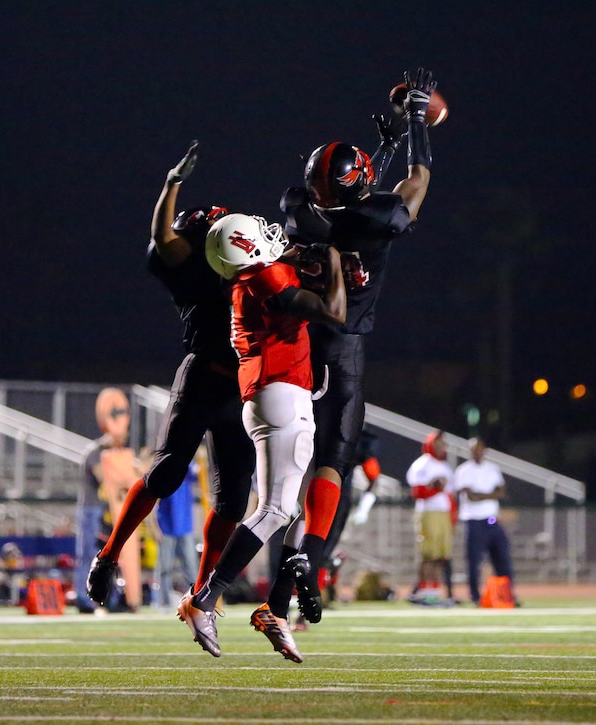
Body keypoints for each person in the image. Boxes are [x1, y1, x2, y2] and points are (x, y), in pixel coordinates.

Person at [269, 69, 437, 625]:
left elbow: (340, 206)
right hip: (343, 351)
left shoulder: (298, 207)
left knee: (285, 468)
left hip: (293, 347)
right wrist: (414, 122)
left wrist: (376, 157)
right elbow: (417, 180)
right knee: (333, 462)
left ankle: (275, 578)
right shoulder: (379, 217)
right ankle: (308, 561)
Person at [86, 142, 256, 612]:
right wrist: (171, 185)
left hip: (243, 389)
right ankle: (107, 557)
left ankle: (201, 594)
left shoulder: (252, 268)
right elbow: (164, 239)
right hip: (203, 376)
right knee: (165, 472)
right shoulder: (194, 269)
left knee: (232, 502)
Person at [178, 211, 346, 662]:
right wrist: (330, 261)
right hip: (280, 395)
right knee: (275, 510)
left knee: (295, 508)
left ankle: (275, 609)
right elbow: (334, 312)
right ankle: (204, 599)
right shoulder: (262, 275)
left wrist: (312, 259)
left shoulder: (245, 280)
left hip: (272, 395)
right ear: (247, 246)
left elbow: (290, 272)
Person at [81, 388, 145, 612]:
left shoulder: (117, 454)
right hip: (93, 509)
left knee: (111, 557)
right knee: (91, 554)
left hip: (109, 511)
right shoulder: (96, 452)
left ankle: (110, 599)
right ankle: (85, 598)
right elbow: (103, 479)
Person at [455, 437, 517, 606]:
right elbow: (471, 497)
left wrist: (481, 495)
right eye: (474, 449)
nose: (477, 452)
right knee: (474, 561)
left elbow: (501, 492)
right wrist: (489, 494)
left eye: (479, 448)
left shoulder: (492, 469)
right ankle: (476, 596)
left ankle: (507, 595)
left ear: (485, 450)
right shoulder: (463, 470)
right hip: (474, 520)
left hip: (491, 519)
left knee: (502, 558)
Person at [406, 430, 455, 604]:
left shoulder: (444, 466)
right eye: (439, 442)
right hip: (428, 513)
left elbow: (449, 495)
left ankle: (433, 592)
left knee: (440, 556)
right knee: (428, 555)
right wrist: (434, 487)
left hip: (443, 514)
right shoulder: (422, 464)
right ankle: (426, 593)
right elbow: (417, 491)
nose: (443, 446)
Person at [154, 458, 200, 608]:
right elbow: (154, 500)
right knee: (165, 567)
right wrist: (155, 528)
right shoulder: (164, 469)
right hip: (166, 526)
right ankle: (164, 601)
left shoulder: (187, 467)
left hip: (185, 525)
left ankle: (194, 599)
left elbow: (199, 473)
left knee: (191, 566)